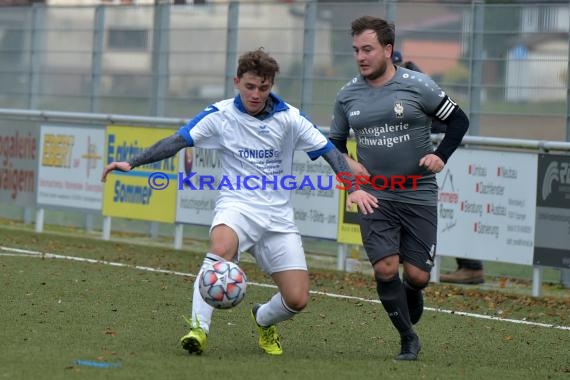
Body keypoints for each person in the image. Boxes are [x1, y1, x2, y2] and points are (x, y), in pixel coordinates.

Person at [101, 48, 375, 356]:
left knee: (297, 300)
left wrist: (351, 188)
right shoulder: (220, 116)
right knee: (220, 249)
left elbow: (329, 151)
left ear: (271, 85)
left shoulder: (290, 118)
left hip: (278, 218)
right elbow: (177, 141)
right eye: (249, 86)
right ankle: (198, 329)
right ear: (237, 81)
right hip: (237, 207)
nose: (256, 94)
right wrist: (133, 162)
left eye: (263, 87)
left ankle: (263, 318)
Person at [329, 16, 469, 361]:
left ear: (387, 50)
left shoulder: (418, 85)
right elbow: (333, 144)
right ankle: (408, 337)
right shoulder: (347, 95)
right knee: (384, 268)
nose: (361, 57)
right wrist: (348, 165)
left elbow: (458, 120)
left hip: (419, 192)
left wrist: (441, 156)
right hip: (376, 194)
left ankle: (411, 291)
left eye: (368, 49)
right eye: (356, 50)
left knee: (418, 276)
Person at [392, 51, 485, 283]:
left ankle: (471, 266)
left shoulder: (417, 83)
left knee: (453, 209)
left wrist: (438, 153)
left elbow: (449, 121)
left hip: (442, 157)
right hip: (429, 157)